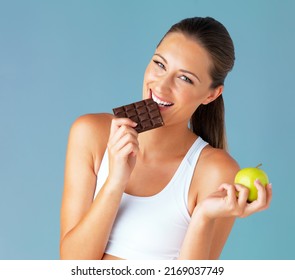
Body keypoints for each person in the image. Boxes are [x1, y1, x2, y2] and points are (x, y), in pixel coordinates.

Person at [60, 17, 272, 260]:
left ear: (211, 95)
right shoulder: (91, 134)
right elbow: (72, 265)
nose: (161, 85)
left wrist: (203, 216)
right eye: (160, 64)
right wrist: (115, 180)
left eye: (185, 78)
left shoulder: (215, 172)